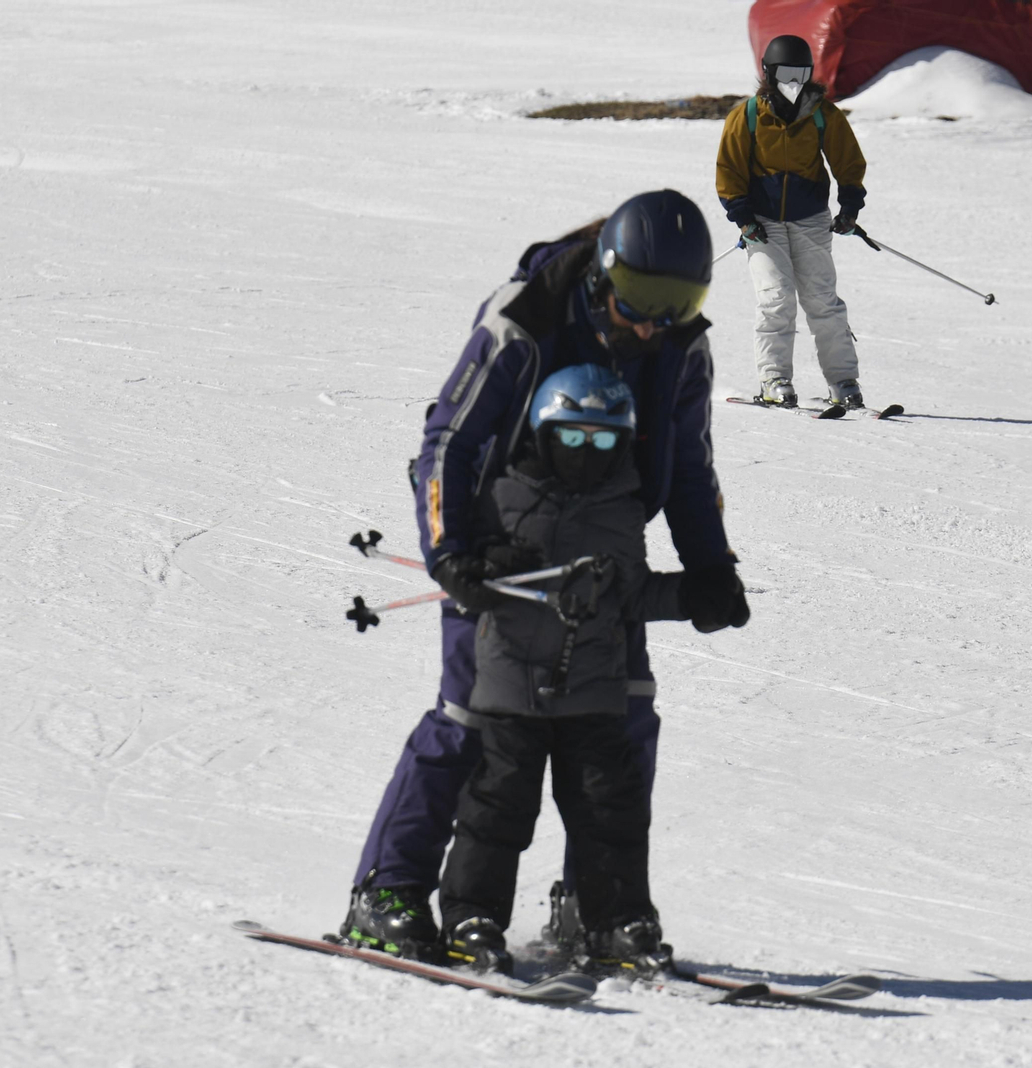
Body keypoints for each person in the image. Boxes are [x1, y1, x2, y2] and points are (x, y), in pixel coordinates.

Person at [340, 189, 751, 968]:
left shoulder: (681, 347)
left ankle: (595, 903)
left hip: (605, 544)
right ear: (605, 274)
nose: (651, 323)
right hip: (500, 546)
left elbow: (689, 467)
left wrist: (711, 570)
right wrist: (452, 554)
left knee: (623, 721)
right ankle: (385, 893)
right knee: (471, 718)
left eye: (678, 303)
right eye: (640, 300)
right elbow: (448, 443)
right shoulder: (524, 321)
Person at [436, 364, 700, 977]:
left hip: (592, 692)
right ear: (543, 433)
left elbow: (630, 597)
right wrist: (482, 565)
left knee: (611, 811)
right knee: (498, 808)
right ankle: (471, 919)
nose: (587, 453)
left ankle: (615, 923)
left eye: (603, 441)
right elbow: (455, 544)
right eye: (573, 438)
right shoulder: (504, 491)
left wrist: (693, 598)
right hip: (512, 688)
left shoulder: (620, 506)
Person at [715, 33, 870, 411]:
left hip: (810, 220)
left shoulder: (821, 114)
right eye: (785, 73)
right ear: (768, 73)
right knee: (776, 299)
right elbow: (729, 170)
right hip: (762, 224)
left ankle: (843, 381)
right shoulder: (747, 115)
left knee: (823, 302)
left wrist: (849, 206)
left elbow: (848, 161)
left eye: (800, 73)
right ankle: (775, 379)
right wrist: (743, 218)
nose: (793, 82)